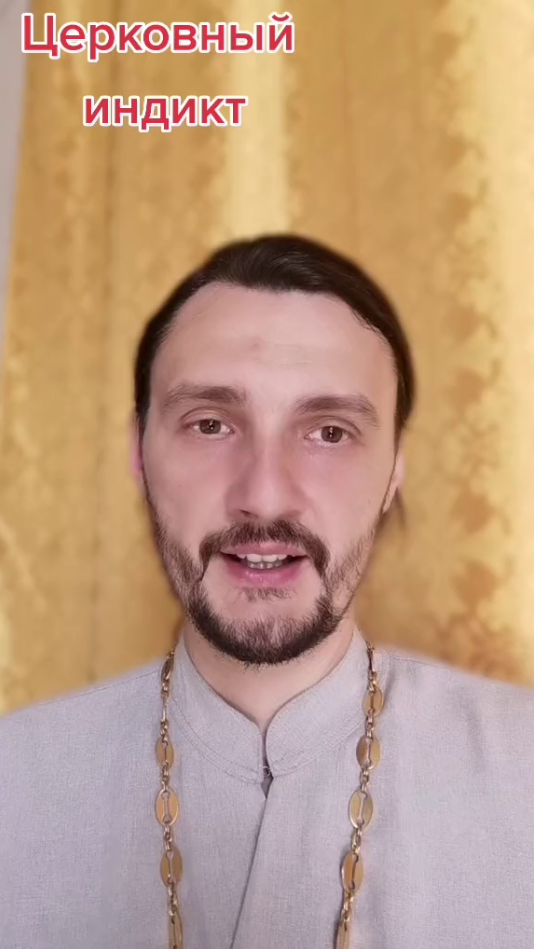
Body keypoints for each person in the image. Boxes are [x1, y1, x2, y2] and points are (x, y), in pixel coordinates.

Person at [1, 234, 533, 949]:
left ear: (394, 473)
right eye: (210, 424)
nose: (265, 494)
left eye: (330, 432)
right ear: (138, 452)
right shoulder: (15, 784)